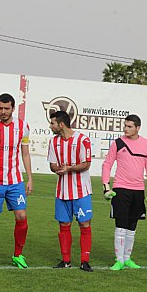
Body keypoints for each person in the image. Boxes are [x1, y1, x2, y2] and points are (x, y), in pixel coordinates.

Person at [101, 114, 147, 271]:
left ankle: (127, 259)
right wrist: (106, 187)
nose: (126, 128)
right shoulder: (117, 143)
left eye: (129, 126)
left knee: (132, 228)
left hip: (138, 191)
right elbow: (107, 165)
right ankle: (119, 260)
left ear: (138, 128)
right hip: (121, 190)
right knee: (121, 226)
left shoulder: (146, 144)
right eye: (125, 125)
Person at [47, 110, 94, 272]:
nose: (50, 126)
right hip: (62, 192)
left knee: (84, 224)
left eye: (52, 123)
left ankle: (84, 261)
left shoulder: (82, 140)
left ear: (61, 124)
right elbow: (52, 164)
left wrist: (69, 168)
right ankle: (66, 260)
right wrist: (57, 169)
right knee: (64, 224)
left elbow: (86, 164)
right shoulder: (53, 142)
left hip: (81, 191)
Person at [0, 93, 33, 269]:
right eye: (0, 108)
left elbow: (25, 154)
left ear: (13, 108)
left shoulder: (22, 126)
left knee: (22, 216)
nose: (3, 112)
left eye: (6, 108)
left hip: (14, 181)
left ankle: (18, 255)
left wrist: (30, 178)